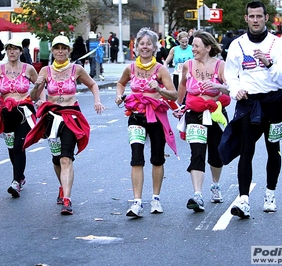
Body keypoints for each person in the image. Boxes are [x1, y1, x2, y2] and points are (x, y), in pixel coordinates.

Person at [220, 1, 282, 219]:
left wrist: (269, 63)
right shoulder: (237, 45)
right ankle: (243, 200)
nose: (255, 20)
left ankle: (270, 194)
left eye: (259, 16)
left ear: (266, 18)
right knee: (246, 150)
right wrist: (236, 90)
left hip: (274, 103)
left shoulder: (278, 44)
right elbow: (230, 75)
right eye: (251, 16)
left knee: (274, 148)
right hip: (248, 104)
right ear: (246, 19)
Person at [23, 35, 105, 215]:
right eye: (57, 48)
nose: (60, 51)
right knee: (56, 158)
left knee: (66, 158)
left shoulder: (76, 69)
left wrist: (97, 101)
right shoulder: (45, 70)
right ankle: (62, 186)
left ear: (68, 51)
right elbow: (34, 97)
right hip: (52, 118)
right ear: (52, 51)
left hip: (71, 116)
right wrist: (37, 86)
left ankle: (67, 199)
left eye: (63, 48)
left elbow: (93, 85)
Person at [115, 27, 178, 218]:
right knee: (136, 158)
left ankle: (156, 199)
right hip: (135, 116)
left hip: (156, 117)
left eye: (148, 44)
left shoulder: (161, 69)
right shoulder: (131, 68)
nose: (145, 47)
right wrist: (119, 95)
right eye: (141, 43)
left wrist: (158, 89)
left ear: (154, 47)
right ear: (136, 47)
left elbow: (174, 94)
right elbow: (120, 83)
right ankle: (137, 202)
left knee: (157, 158)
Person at [177, 30, 231, 212]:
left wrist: (218, 86)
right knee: (197, 152)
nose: (193, 49)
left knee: (216, 153)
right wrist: (179, 106)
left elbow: (231, 89)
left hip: (216, 112)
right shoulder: (188, 65)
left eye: (196, 46)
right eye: (192, 46)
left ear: (208, 47)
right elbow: (182, 86)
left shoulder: (220, 66)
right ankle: (197, 194)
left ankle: (215, 185)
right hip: (194, 113)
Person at [0, 39, 40, 198]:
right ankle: (20, 177)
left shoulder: (28, 69)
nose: (12, 52)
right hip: (7, 113)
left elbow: (39, 86)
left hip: (24, 111)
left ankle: (15, 182)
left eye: (15, 49)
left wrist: (41, 100)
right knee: (11, 148)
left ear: (20, 51)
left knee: (19, 146)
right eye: (9, 49)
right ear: (6, 51)